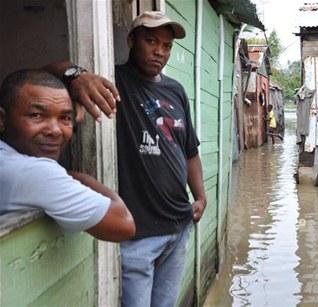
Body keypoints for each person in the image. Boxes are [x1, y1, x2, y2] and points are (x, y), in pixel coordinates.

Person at [46, 11, 207, 307]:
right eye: (151, 41)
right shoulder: (114, 83)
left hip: (178, 225)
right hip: (138, 236)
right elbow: (48, 72)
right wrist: (76, 76)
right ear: (132, 40)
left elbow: (190, 151)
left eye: (167, 46)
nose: (160, 51)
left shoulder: (176, 91)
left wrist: (200, 195)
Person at [0, 69, 135, 242]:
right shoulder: (33, 172)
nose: (55, 131)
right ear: (2, 119)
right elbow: (123, 225)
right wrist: (71, 175)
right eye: (37, 115)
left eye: (65, 118)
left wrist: (76, 77)